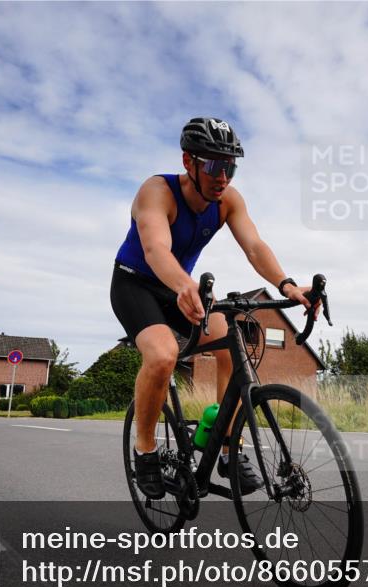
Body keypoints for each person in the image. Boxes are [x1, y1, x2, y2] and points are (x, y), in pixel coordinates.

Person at [112, 117, 314, 498]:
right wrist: (184, 285)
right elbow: (155, 249)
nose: (223, 177)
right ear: (189, 161)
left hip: (179, 287)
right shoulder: (157, 192)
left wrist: (287, 284)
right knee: (162, 355)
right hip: (135, 282)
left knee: (229, 339)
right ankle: (146, 452)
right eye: (214, 165)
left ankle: (226, 449)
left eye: (231, 167)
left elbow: (255, 247)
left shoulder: (227, 202)